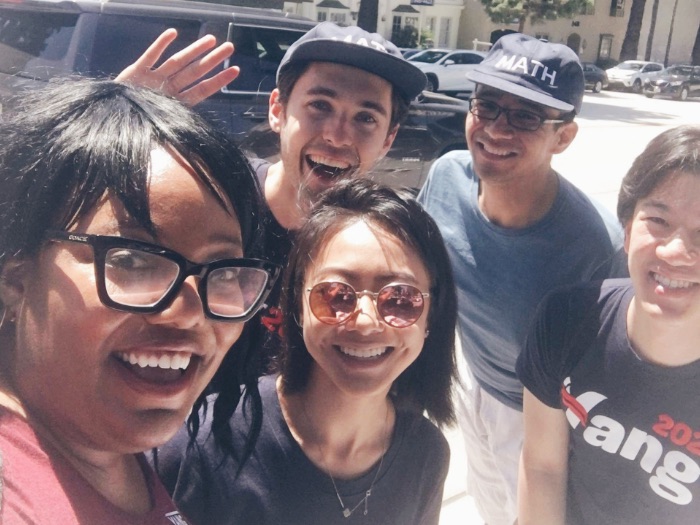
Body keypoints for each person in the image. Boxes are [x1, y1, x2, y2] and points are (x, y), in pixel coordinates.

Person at [0, 78, 279, 523]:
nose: (188, 311)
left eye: (223, 270)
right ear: (15, 279)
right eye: (132, 261)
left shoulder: (110, 450)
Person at [155, 178, 458, 525]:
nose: (365, 323)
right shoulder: (199, 447)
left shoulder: (426, 455)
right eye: (335, 295)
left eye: (401, 299)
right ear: (297, 304)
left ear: (432, 315)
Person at [417, 34, 625, 525]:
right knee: (491, 509)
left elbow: (612, 374)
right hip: (471, 384)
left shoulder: (597, 246)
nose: (495, 129)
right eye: (486, 105)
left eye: (525, 116)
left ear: (564, 137)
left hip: (543, 417)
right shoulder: (446, 176)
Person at [517, 125, 700, 525]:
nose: (676, 251)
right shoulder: (568, 319)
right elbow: (543, 466)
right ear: (628, 227)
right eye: (658, 220)